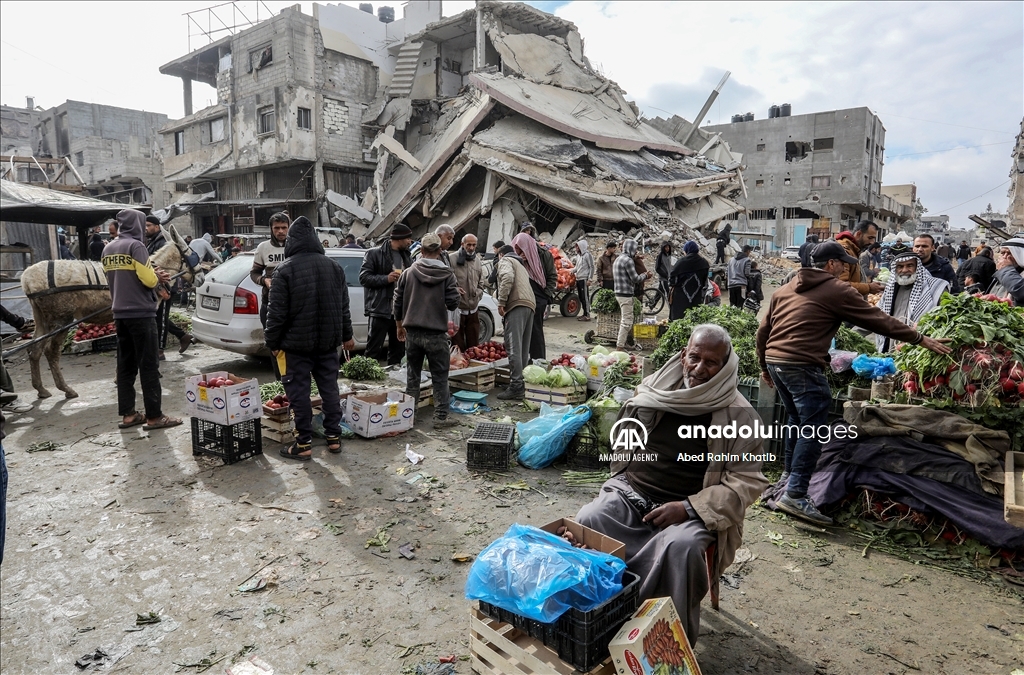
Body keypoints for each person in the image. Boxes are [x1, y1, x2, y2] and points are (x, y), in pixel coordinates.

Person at [575, 325, 766, 648]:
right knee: (591, 518)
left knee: (681, 548)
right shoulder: (657, 389)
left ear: (726, 365)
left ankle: (660, 641)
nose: (699, 368)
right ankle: (600, 619)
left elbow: (746, 482)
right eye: (694, 358)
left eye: (711, 362)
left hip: (691, 511)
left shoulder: (741, 415)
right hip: (632, 493)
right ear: (683, 356)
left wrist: (688, 508)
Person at [756, 241, 951, 525]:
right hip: (802, 364)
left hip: (777, 361)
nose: (847, 268)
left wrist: (764, 365)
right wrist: (921, 338)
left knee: (796, 422)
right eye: (843, 262)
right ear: (831, 264)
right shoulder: (836, 289)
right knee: (811, 428)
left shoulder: (784, 289)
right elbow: (877, 320)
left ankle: (788, 477)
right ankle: (796, 494)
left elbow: (763, 331)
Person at [265, 217, 354, 461]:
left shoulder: (285, 269)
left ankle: (303, 444)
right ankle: (334, 439)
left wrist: (272, 343)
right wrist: (347, 336)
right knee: (330, 390)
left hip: (295, 347)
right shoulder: (334, 267)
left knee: (299, 394)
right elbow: (343, 308)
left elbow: (276, 314)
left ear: (291, 242)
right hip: (328, 344)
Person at [102, 209, 181, 431]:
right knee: (149, 365)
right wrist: (158, 277)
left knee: (125, 366)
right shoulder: (136, 246)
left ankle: (128, 415)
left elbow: (119, 276)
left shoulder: (108, 248)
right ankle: (154, 417)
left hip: (120, 313)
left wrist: (152, 275)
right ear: (136, 225)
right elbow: (147, 279)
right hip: (141, 313)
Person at [393, 233, 460, 429]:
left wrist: (399, 326)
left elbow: (397, 301)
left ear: (421, 251)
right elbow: (453, 302)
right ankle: (440, 418)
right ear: (440, 251)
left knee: (412, 376)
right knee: (440, 377)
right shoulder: (447, 274)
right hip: (436, 334)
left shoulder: (408, 272)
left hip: (412, 333)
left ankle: (408, 417)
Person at [873, 252, 949, 353]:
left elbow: (946, 318)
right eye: (900, 266)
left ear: (918, 267)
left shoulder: (936, 288)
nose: (904, 270)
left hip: (923, 348)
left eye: (910, 265)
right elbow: (877, 316)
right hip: (893, 344)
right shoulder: (891, 288)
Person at [360, 224, 413, 365]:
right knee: (373, 351)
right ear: (399, 238)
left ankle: (393, 382)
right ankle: (367, 381)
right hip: (380, 310)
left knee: (398, 350)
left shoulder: (406, 256)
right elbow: (364, 277)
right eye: (408, 238)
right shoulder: (374, 253)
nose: (410, 241)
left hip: (399, 313)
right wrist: (386, 278)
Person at [145, 215, 192, 358]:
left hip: (164, 285)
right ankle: (183, 336)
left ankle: (160, 350)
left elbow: (164, 267)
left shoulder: (163, 243)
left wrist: (163, 286)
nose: (146, 229)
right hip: (154, 284)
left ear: (157, 226)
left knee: (161, 318)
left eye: (148, 226)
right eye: (145, 226)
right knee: (157, 317)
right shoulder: (152, 241)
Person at [494, 245, 536, 400]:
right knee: (524, 348)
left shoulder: (506, 260)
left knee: (514, 347)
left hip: (517, 304)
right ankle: (520, 382)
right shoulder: (520, 264)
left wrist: (501, 302)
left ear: (501, 254)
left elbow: (507, 277)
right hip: (530, 304)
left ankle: (516, 386)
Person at [511, 231, 556, 360]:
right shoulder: (517, 257)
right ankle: (523, 360)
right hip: (521, 297)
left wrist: (545, 295)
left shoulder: (544, 255)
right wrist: (519, 261)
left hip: (539, 295)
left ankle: (538, 359)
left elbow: (552, 276)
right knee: (522, 331)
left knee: (536, 330)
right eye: (516, 249)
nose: (518, 251)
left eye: (520, 249)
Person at [250, 213, 289, 328]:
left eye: (284, 227)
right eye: (276, 228)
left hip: (293, 303)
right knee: (272, 340)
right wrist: (265, 280)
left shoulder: (296, 247)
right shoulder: (263, 247)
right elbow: (254, 273)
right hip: (270, 302)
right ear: (271, 229)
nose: (280, 231)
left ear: (289, 228)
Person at [452, 234, 485, 351]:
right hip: (458, 308)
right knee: (457, 344)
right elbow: (447, 282)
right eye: (469, 245)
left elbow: (482, 282)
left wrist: (478, 294)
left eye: (474, 245)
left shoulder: (477, 261)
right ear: (462, 244)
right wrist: (455, 291)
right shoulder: (452, 259)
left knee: (473, 344)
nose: (471, 248)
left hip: (473, 308)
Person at [613, 238, 648, 348]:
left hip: (618, 292)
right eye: (635, 249)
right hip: (626, 294)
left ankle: (624, 343)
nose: (636, 251)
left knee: (625, 320)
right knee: (626, 322)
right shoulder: (628, 261)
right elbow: (635, 278)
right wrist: (646, 275)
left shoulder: (618, 259)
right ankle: (620, 347)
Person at [836, 221, 883, 296]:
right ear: (858, 234)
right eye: (870, 238)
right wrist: (868, 287)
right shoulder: (844, 251)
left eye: (874, 239)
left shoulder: (854, 250)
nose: (872, 242)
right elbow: (840, 285)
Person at [668, 241, 708, 321]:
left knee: (679, 322)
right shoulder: (704, 263)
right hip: (696, 298)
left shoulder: (681, 262)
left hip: (680, 299)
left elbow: (673, 280)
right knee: (693, 321)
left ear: (687, 250)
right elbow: (704, 282)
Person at [990, 238, 1024, 305]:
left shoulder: (1006, 271)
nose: (1005, 257)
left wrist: (1006, 270)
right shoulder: (1003, 272)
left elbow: (1021, 292)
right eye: (1003, 253)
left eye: (1009, 253)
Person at [570, 239, 594, 321]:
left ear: (581, 247)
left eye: (577, 246)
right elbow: (577, 267)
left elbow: (592, 267)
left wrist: (590, 279)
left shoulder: (587, 255)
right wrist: (571, 271)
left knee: (585, 297)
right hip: (579, 279)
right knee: (581, 297)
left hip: (584, 279)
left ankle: (587, 315)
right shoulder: (578, 256)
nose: (576, 248)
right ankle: (584, 313)